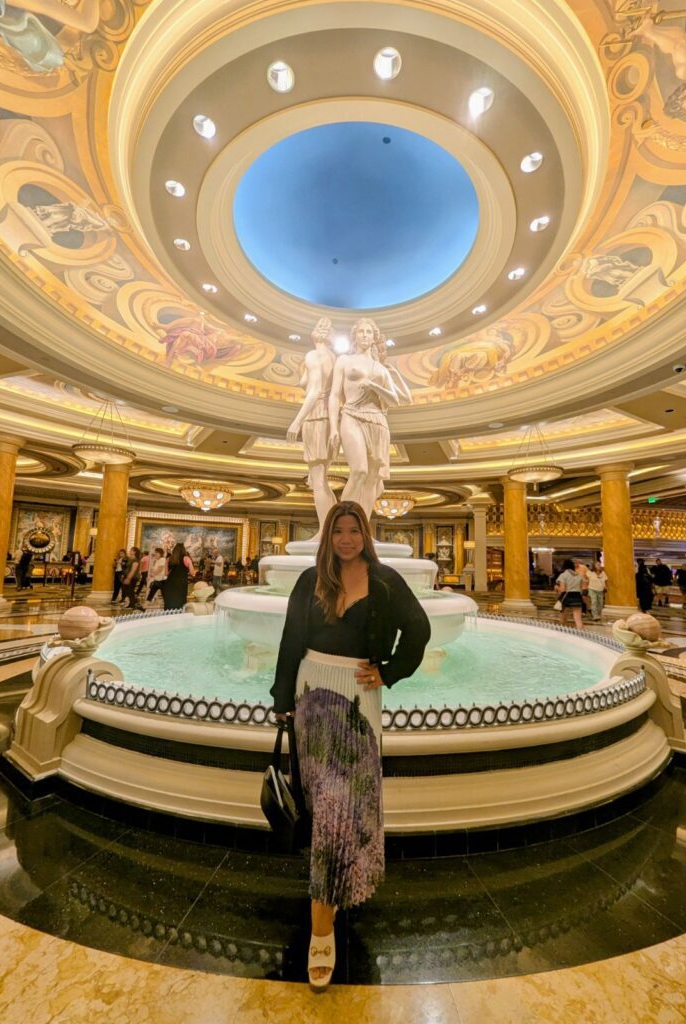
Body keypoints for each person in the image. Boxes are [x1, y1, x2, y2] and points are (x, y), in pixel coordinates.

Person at [271, 501, 430, 991]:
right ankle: (328, 911)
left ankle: (325, 924)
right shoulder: (309, 580)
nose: (345, 538)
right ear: (327, 535)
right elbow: (290, 640)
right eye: (337, 530)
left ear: (366, 533)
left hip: (360, 695)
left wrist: (391, 671)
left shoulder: (385, 581)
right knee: (325, 805)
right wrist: (281, 699)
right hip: (310, 689)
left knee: (344, 806)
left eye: (353, 529)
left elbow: (419, 630)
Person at [328, 318, 405, 521]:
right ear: (355, 336)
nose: (364, 335)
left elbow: (395, 400)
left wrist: (374, 386)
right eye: (360, 331)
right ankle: (341, 523)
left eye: (368, 332)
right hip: (351, 414)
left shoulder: (380, 368)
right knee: (359, 471)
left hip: (378, 420)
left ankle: (363, 527)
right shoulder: (344, 360)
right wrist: (333, 428)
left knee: (372, 478)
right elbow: (335, 395)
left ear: (374, 337)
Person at [286, 317, 338, 536]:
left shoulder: (314, 356)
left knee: (318, 479)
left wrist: (296, 421)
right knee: (321, 478)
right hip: (327, 417)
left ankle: (325, 532)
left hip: (317, 416)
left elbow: (315, 390)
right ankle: (330, 528)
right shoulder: (332, 357)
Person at [555, 558, 586, 629]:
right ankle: (581, 634)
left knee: (563, 618)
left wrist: (557, 587)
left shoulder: (563, 575)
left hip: (566, 596)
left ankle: (563, 633)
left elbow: (562, 589)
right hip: (577, 596)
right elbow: (581, 589)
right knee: (578, 619)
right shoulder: (579, 575)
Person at [162, 542, 194, 610]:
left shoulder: (169, 559)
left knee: (170, 599)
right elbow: (192, 572)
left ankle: (168, 615)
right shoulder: (186, 558)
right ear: (183, 550)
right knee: (180, 600)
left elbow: (166, 573)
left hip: (170, 582)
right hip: (181, 582)